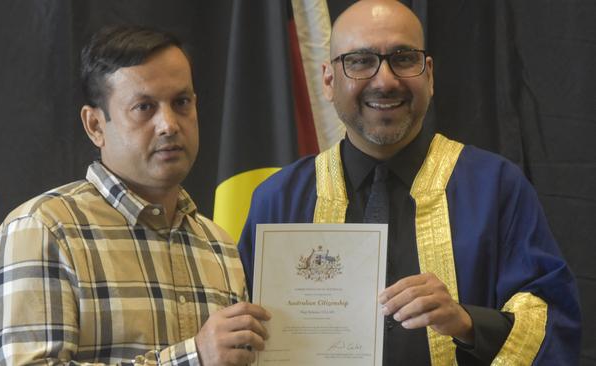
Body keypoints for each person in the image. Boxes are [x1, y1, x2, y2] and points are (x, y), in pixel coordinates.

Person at [238, 0, 581, 365]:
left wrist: (466, 322)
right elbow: (242, 331)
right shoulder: (278, 201)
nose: (385, 81)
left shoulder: (496, 188)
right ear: (328, 80)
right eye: (360, 61)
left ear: (429, 75)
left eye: (403, 58)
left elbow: (551, 320)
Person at [0, 25, 269, 366]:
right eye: (145, 107)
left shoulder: (218, 244)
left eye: (181, 102)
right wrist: (194, 357)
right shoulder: (42, 229)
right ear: (95, 126)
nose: (169, 124)